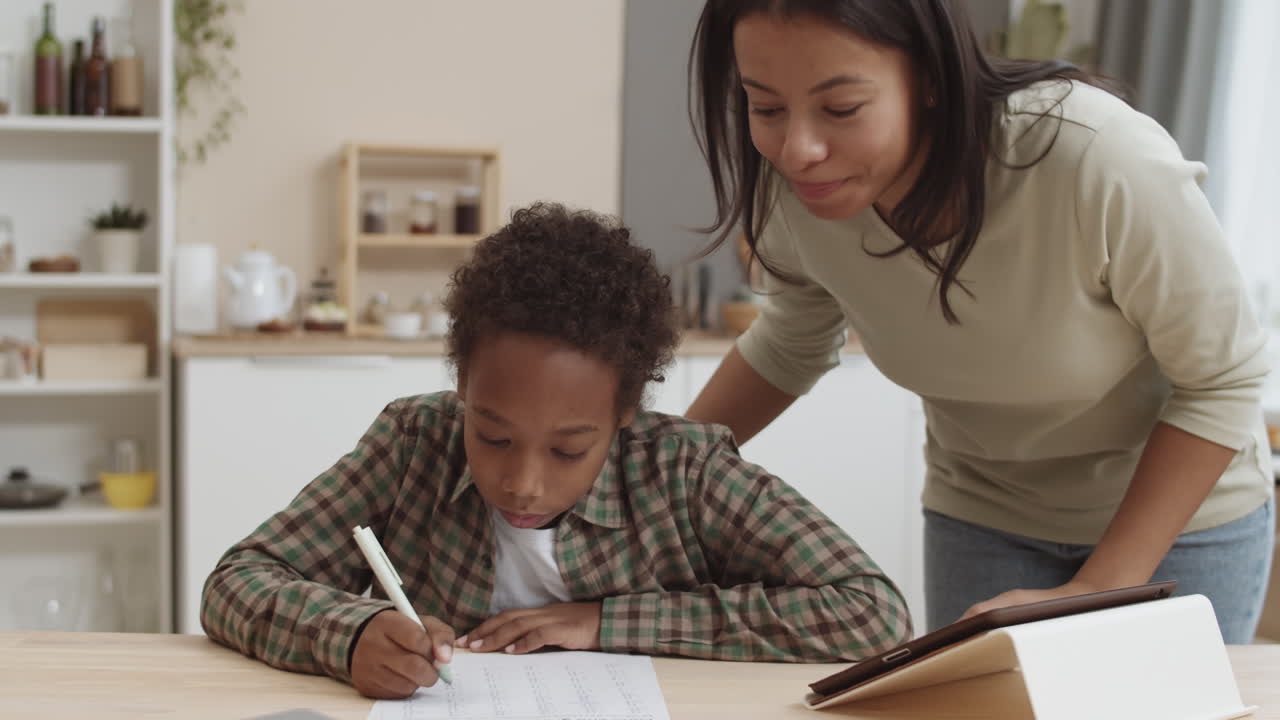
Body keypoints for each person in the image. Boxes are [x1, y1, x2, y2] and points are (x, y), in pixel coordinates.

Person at [684, 0, 1275, 642]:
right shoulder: (800, 192)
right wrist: (652, 471)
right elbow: (790, 343)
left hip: (1179, 527)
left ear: (931, 77)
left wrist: (1103, 586)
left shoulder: (1094, 158)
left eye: (842, 108)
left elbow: (1222, 382)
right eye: (766, 108)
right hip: (984, 518)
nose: (799, 149)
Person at [201, 202, 912, 700]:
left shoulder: (683, 471)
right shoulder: (414, 444)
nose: (523, 483)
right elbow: (236, 581)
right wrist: (350, 635)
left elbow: (871, 613)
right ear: (461, 388)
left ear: (624, 415)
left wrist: (605, 622)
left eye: (570, 450)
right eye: (493, 435)